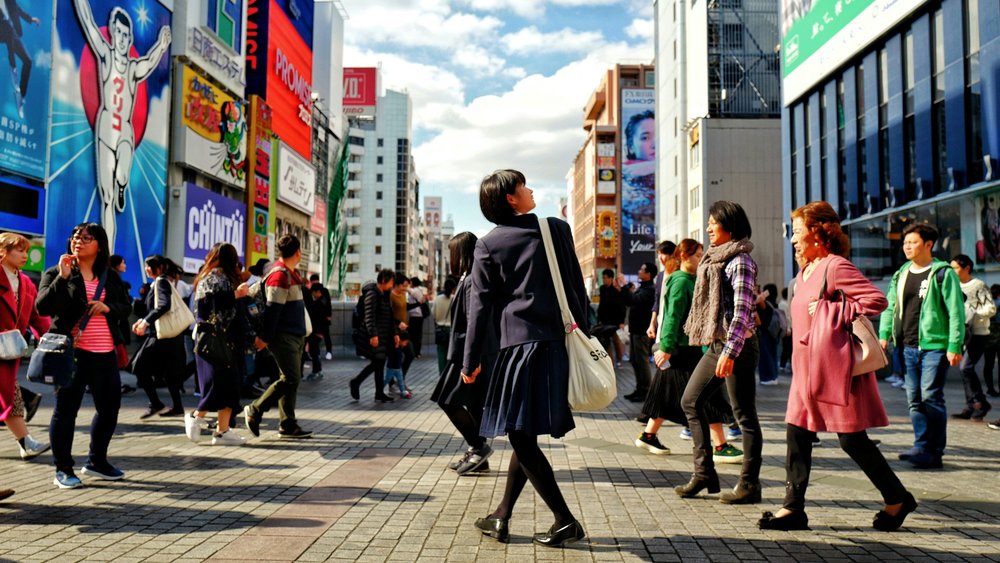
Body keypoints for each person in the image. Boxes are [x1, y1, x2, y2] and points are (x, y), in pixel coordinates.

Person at [758, 201, 917, 532]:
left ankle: (897, 498)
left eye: (798, 231)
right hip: (806, 370)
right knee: (796, 434)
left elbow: (876, 300)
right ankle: (793, 509)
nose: (793, 239)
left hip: (835, 371)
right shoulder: (805, 272)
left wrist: (834, 309)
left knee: (851, 441)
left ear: (818, 233)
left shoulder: (835, 266)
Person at [465, 170, 587, 547]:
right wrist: (584, 336)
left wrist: (470, 362)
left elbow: (479, 308)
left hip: (518, 348)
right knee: (524, 432)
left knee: (520, 434)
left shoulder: (488, 245)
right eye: (523, 186)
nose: (531, 188)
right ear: (509, 199)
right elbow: (576, 288)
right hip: (555, 345)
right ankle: (501, 515)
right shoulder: (556, 230)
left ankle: (564, 520)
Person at [677, 201, 763, 504]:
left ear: (730, 226)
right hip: (717, 344)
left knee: (743, 415)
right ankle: (703, 474)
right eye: (709, 222)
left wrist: (729, 351)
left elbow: (742, 313)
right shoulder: (712, 261)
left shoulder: (740, 261)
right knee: (691, 401)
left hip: (737, 346)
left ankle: (749, 485)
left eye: (714, 222)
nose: (709, 227)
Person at [37, 222, 131, 488]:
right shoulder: (56, 272)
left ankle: (97, 462)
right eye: (76, 237)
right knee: (66, 410)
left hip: (104, 352)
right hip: (72, 352)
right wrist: (63, 277)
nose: (79, 241)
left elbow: (126, 305)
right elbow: (43, 307)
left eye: (86, 238)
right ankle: (63, 469)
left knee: (110, 407)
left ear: (99, 245)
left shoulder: (109, 276)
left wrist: (108, 307)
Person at [72, 0, 171, 251]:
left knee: (122, 173)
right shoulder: (105, 56)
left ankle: (123, 185)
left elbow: (149, 62)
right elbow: (89, 24)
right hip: (105, 128)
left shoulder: (133, 68)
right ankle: (108, 251)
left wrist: (162, 44)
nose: (123, 39)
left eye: (127, 35)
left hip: (124, 130)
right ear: (113, 34)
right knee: (106, 201)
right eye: (119, 33)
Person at [636, 239, 743, 464]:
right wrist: (665, 347)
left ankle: (648, 435)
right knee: (708, 394)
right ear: (684, 257)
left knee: (667, 395)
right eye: (697, 255)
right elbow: (673, 317)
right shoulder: (682, 282)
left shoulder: (689, 279)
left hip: (687, 347)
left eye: (702, 254)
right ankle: (720, 445)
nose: (700, 259)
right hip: (684, 348)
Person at [878, 224, 964, 469]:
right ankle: (921, 444)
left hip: (935, 346)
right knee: (914, 398)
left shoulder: (943, 273)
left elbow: (956, 311)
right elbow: (890, 305)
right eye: (905, 242)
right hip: (907, 346)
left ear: (928, 244)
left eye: (912, 242)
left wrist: (954, 344)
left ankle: (934, 450)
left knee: (931, 396)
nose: (906, 246)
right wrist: (884, 334)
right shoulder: (902, 272)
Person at [432, 232, 495, 476]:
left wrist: (472, 361)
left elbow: (474, 321)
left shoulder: (472, 280)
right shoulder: (470, 277)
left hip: (467, 354)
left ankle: (479, 446)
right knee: (475, 405)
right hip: (471, 352)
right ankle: (479, 454)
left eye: (453, 252)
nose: (451, 257)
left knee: (447, 399)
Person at [243, 235, 312, 439]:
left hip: (295, 335)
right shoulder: (279, 276)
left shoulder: (291, 273)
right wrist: (265, 338)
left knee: (291, 379)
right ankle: (255, 410)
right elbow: (273, 310)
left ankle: (287, 423)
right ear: (298, 251)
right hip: (283, 336)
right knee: (291, 378)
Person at [185, 243, 248, 446]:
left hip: (229, 339)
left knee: (232, 385)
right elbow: (206, 305)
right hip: (214, 339)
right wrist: (234, 295)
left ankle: (223, 431)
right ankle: (197, 416)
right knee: (218, 383)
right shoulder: (213, 277)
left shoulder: (227, 277)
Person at [0, 232, 50, 463]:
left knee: (11, 396)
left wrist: (49, 337)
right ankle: (26, 443)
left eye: (26, 251)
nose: (24, 255)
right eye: (19, 250)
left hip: (10, 351)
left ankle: (26, 443)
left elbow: (37, 316)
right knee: (9, 395)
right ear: (4, 251)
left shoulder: (26, 282)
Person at [130, 255, 185, 418]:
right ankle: (177, 407)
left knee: (138, 366)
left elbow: (164, 305)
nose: (147, 269)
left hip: (161, 336)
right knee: (170, 373)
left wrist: (145, 322)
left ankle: (156, 403)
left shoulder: (161, 282)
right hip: (169, 336)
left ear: (159, 267)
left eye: (149, 266)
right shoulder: (162, 281)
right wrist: (143, 320)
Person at [949, 254, 995, 420]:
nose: (952, 271)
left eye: (955, 267)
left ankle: (981, 403)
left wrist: (975, 314)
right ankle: (971, 405)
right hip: (962, 333)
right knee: (963, 369)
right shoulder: (953, 286)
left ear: (967, 268)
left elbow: (991, 308)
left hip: (979, 333)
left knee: (965, 368)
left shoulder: (978, 285)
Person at [349, 269, 397, 402]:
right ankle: (357, 382)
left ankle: (378, 392)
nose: (392, 285)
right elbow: (369, 316)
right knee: (377, 364)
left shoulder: (384, 294)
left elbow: (390, 316)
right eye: (391, 282)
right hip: (375, 336)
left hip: (384, 335)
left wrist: (395, 334)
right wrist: (373, 335)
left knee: (379, 364)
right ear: (383, 280)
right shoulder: (372, 294)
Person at [621, 262, 656, 401]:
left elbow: (632, 300)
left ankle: (646, 391)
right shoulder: (643, 288)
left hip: (642, 332)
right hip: (636, 331)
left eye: (642, 269)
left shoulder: (649, 290)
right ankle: (640, 388)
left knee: (642, 361)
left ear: (648, 274)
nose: (639, 271)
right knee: (635, 361)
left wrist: (624, 285)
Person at [0, 0, 40, 117]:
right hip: (2, 32)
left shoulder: (9, 1)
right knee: (7, 28)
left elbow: (18, 10)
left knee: (28, 61)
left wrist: (31, 19)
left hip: (12, 33)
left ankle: (21, 97)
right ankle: (13, 70)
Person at [596, 269, 626, 366]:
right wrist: (599, 318)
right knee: (606, 341)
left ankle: (619, 359)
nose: (604, 280)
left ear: (611, 278)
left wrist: (621, 321)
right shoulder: (602, 289)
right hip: (604, 320)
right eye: (603, 278)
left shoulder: (616, 291)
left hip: (615, 321)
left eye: (605, 278)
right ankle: (609, 361)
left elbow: (622, 307)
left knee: (616, 341)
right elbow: (601, 304)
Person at [757, 283, 781, 385]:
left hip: (765, 331)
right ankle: (774, 376)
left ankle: (767, 377)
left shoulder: (764, 303)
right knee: (773, 355)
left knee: (765, 356)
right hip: (774, 332)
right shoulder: (775, 303)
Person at [433, 277, 457, 375]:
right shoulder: (454, 298)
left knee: (441, 353)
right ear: (453, 288)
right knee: (450, 353)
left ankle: (441, 374)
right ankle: (448, 374)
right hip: (451, 329)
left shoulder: (438, 299)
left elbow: (433, 313)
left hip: (440, 329)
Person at [307, 274, 333, 361]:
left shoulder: (324, 291)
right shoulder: (309, 291)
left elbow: (328, 303)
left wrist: (329, 315)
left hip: (324, 316)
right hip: (314, 318)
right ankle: (314, 353)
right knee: (313, 336)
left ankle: (329, 351)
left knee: (326, 335)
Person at [304, 285, 327, 381]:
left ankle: (316, 371)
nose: (312, 294)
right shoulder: (323, 302)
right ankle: (318, 371)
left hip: (316, 331)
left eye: (313, 292)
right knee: (315, 352)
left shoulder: (317, 304)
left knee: (314, 352)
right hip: (319, 331)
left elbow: (315, 319)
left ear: (317, 292)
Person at [984, 284, 1000, 400]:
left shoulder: (987, 304)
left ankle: (990, 389)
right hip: (998, 339)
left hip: (988, 339)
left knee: (988, 365)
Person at [407, 277, 429, 358]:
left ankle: (415, 352)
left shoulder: (415, 290)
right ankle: (417, 352)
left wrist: (403, 286)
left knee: (413, 335)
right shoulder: (420, 289)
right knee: (417, 335)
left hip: (415, 316)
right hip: (418, 316)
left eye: (410, 282)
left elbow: (409, 290)